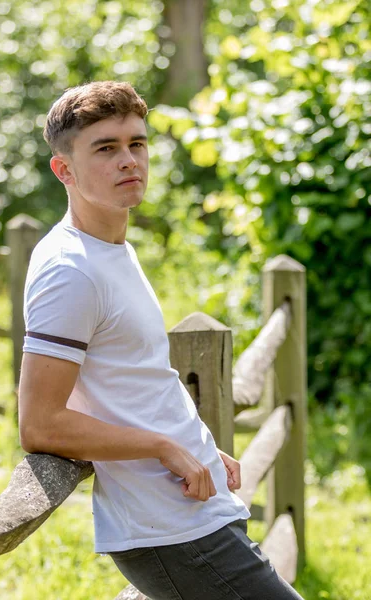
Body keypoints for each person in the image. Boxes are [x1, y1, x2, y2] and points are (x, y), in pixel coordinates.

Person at [19, 81, 304, 600]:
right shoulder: (70, 271)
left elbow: (135, 378)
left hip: (195, 511)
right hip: (172, 532)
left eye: (137, 144)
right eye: (106, 148)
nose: (129, 160)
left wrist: (199, 446)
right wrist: (163, 447)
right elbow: (39, 422)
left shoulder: (112, 248)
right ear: (65, 170)